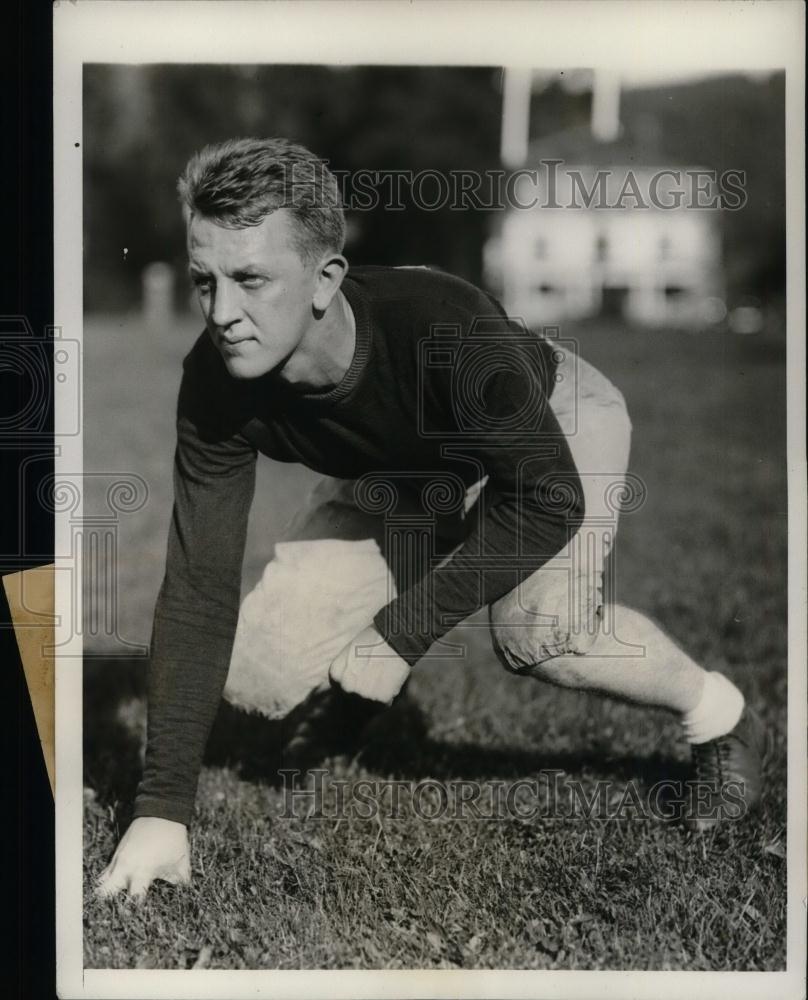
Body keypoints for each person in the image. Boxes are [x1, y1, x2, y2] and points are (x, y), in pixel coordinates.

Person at [97, 137, 766, 900]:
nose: (223, 313)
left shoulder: (447, 328)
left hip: (543, 422)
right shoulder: (213, 382)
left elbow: (547, 499)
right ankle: (358, 694)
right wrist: (160, 811)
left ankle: (721, 717)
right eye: (204, 280)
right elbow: (197, 587)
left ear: (325, 280)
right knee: (259, 673)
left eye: (251, 279)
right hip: (404, 468)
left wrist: (398, 633)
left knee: (541, 633)